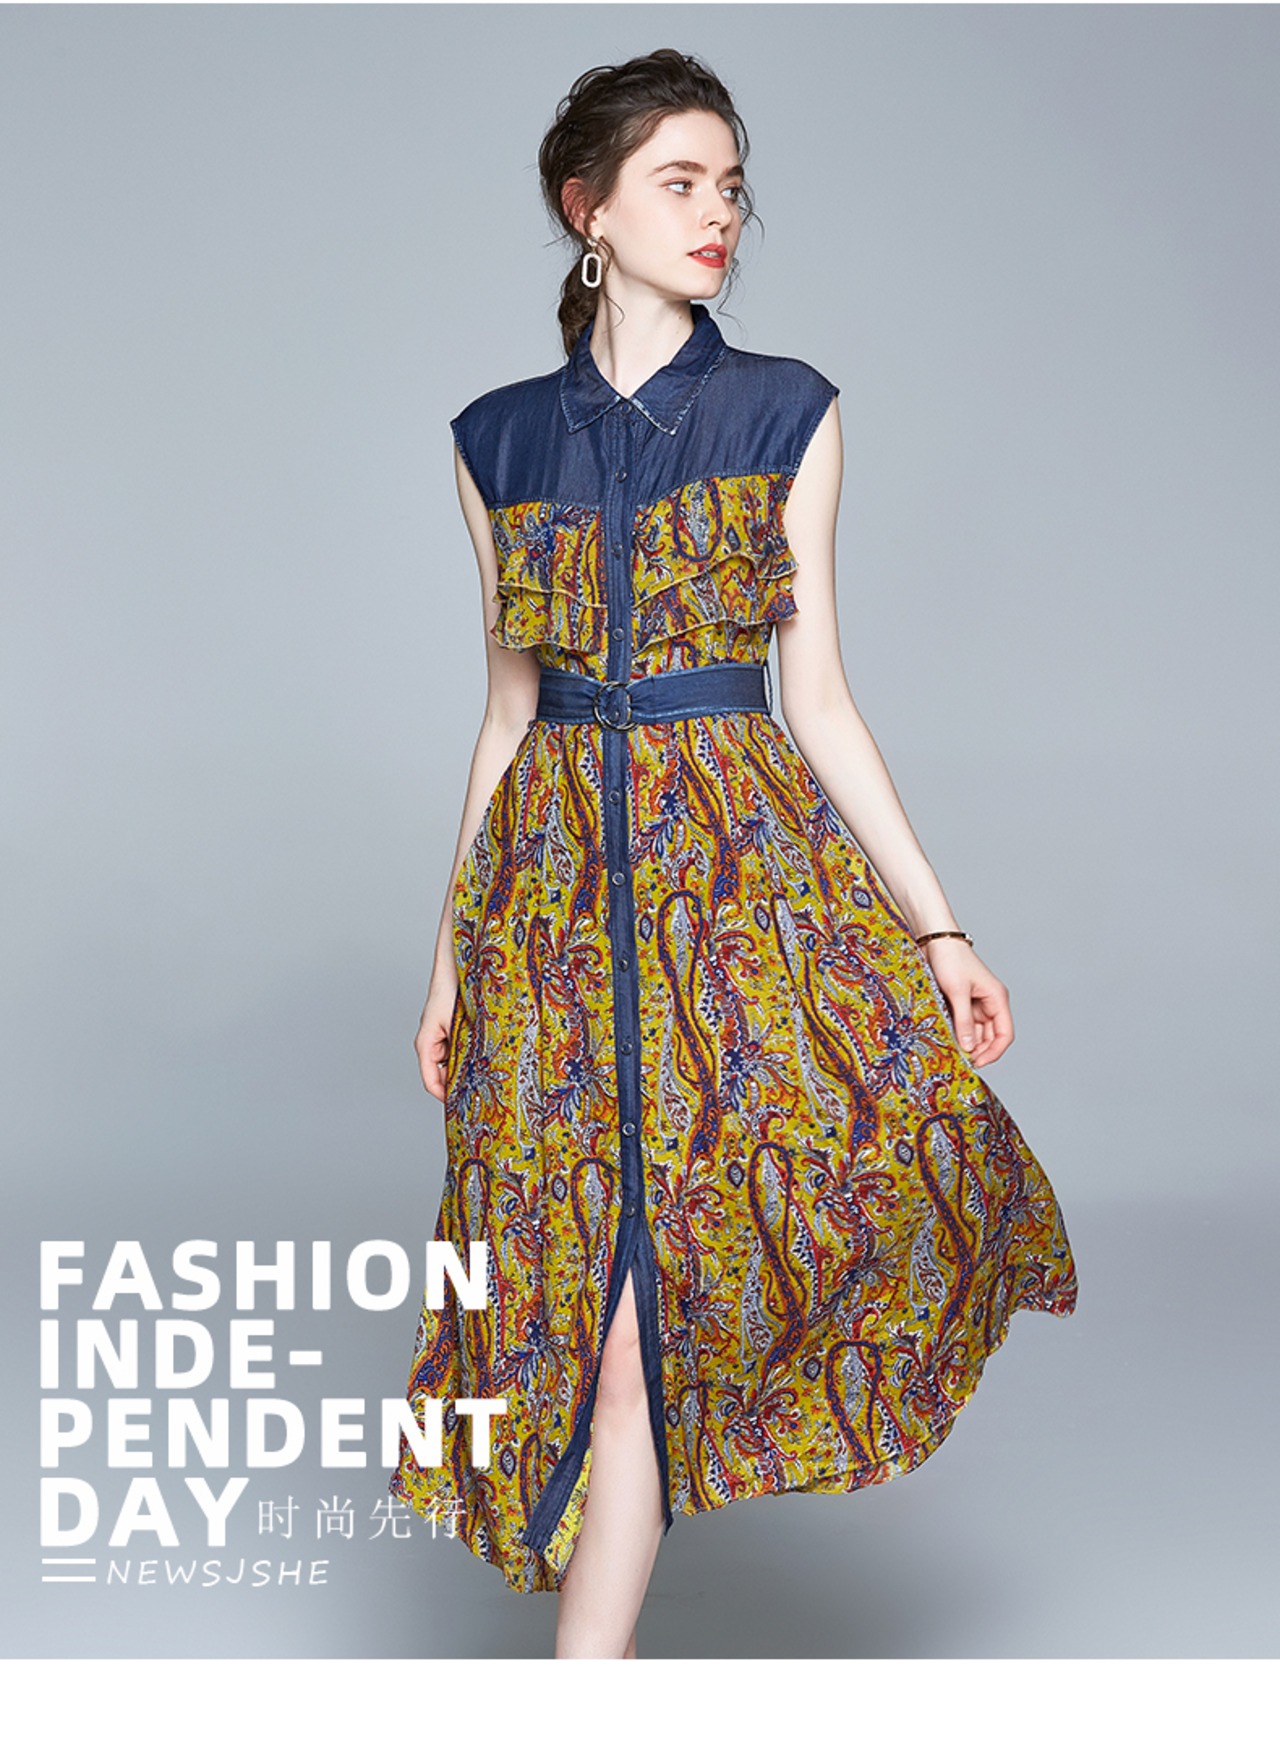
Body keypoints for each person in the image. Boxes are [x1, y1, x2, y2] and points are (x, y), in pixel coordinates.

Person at [389, 49, 1078, 1660]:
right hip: (550, 915)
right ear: (589, 209)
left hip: (736, 896)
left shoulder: (788, 411)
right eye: (681, 183)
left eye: (732, 186)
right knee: (581, 1314)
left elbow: (818, 695)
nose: (720, 214)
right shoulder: (494, 441)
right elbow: (505, 716)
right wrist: (446, 963)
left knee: (683, 1287)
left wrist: (940, 927)